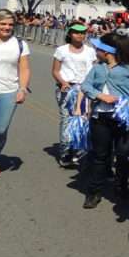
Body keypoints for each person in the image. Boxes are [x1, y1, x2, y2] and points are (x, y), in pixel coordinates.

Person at [81, 34, 129, 208]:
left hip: (125, 118)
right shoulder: (97, 68)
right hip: (100, 117)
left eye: (98, 48)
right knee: (100, 155)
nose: (96, 50)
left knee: (124, 154)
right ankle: (94, 192)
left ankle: (121, 187)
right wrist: (100, 95)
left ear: (108, 51)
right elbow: (85, 86)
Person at [0, 9, 31, 187]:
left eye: (10, 24)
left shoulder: (19, 44)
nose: (7, 27)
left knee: (0, 131)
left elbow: (24, 68)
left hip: (9, 92)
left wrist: (22, 89)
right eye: (3, 24)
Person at [52, 23, 97, 168]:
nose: (80, 35)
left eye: (83, 33)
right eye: (77, 32)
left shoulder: (90, 51)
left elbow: (95, 70)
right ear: (70, 34)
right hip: (67, 89)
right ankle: (65, 151)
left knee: (82, 120)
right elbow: (55, 71)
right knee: (67, 120)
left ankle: (78, 151)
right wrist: (63, 83)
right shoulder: (61, 50)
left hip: (85, 90)